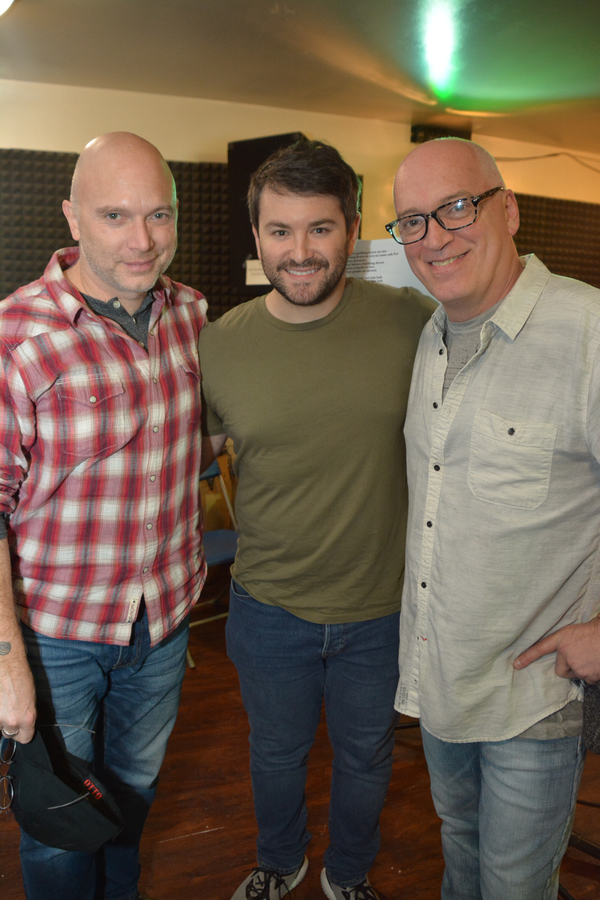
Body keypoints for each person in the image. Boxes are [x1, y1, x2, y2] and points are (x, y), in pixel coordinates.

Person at [199, 139, 434, 900]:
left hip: (381, 611)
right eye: (280, 231)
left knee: (368, 758)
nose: (299, 252)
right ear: (258, 235)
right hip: (268, 607)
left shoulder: (413, 322)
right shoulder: (220, 345)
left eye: (320, 229)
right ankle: (281, 861)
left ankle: (350, 873)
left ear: (353, 228)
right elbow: (177, 461)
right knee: (274, 755)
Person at [390, 136, 600, 900]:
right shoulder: (431, 335)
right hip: (443, 680)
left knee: (514, 885)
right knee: (462, 853)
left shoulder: (587, 333)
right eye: (412, 221)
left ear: (508, 209)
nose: (435, 237)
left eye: (456, 207)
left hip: (532, 698)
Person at [0, 132, 207, 900]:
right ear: (72, 217)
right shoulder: (16, 334)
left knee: (133, 798)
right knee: (57, 825)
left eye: (160, 215)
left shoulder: (193, 315)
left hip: (164, 622)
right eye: (116, 215)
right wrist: (6, 662)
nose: (143, 240)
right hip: (57, 637)